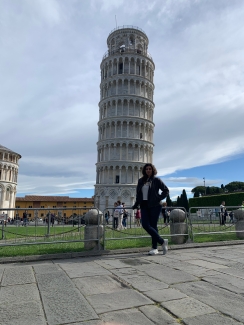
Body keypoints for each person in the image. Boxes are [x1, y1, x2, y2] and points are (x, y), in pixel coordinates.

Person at [132, 163, 169, 255]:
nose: (148, 170)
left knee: (153, 225)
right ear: (144, 170)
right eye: (146, 169)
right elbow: (138, 194)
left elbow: (166, 190)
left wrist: (158, 197)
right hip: (144, 205)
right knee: (145, 224)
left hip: (155, 205)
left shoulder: (156, 180)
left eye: (150, 169)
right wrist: (136, 204)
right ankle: (162, 242)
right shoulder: (141, 181)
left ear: (153, 170)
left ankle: (154, 248)